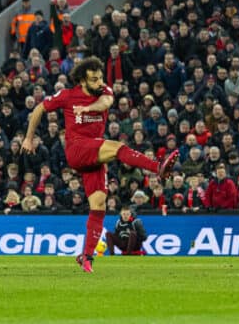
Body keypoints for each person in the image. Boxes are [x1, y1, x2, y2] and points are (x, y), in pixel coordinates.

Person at [22, 57, 178, 273]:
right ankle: (157, 167)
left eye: (100, 78)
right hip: (77, 150)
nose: (99, 82)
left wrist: (86, 110)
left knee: (99, 206)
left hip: (94, 154)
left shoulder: (103, 91)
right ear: (82, 81)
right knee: (117, 147)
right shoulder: (67, 95)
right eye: (94, 79)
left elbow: (106, 103)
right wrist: (29, 138)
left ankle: (86, 257)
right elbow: (39, 108)